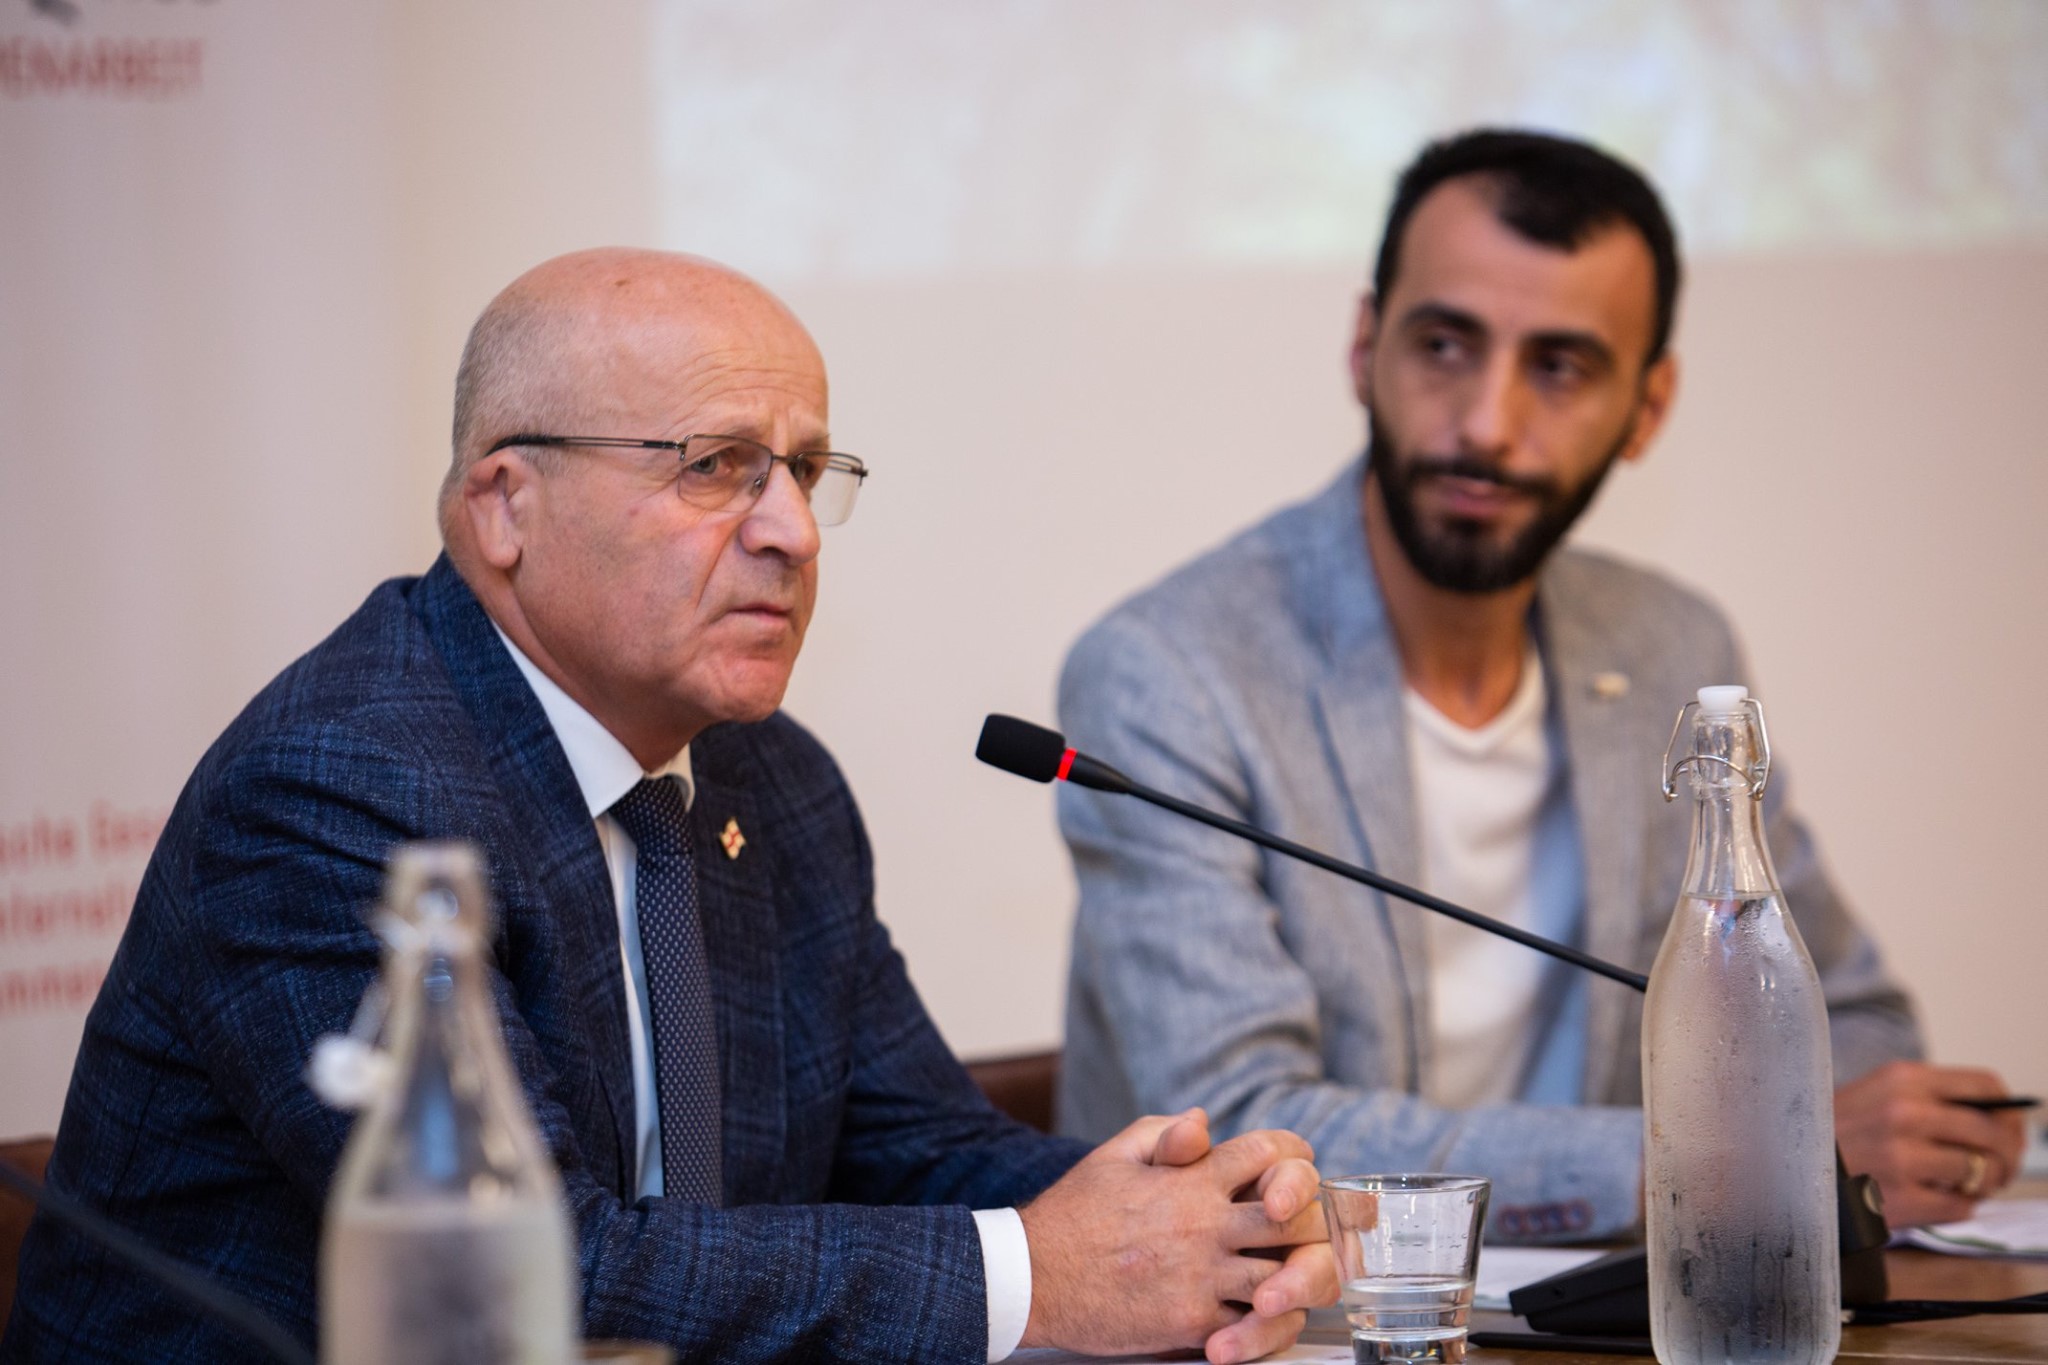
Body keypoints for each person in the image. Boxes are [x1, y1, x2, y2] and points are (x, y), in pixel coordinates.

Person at [2, 249, 1334, 1364]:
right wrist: (1042, 1272)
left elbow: (913, 1149)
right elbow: (532, 1272)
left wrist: (1197, 1224)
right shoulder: (337, 790)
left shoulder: (774, 782)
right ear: (505, 506)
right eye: (716, 467)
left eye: (804, 471)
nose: (792, 532)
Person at [1054, 128, 2026, 1241]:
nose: (1486, 425)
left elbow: (1841, 1022)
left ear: (1647, 407)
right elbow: (1240, 1130)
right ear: (1364, 348)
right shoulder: (1171, 671)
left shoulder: (1670, 648)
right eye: (1443, 345)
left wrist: (1887, 1124)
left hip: (1607, 1312)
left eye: (1559, 367)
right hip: (1294, 1316)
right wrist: (1712, 1158)